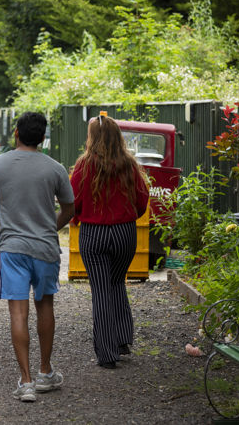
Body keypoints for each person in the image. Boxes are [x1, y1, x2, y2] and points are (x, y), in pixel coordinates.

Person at [0, 112, 75, 402]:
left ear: (16, 133)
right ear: (43, 138)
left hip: (12, 249)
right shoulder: (55, 169)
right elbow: (69, 209)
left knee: (18, 313)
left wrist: (6, 219)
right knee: (45, 307)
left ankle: (26, 381)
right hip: (45, 249)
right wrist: (47, 227)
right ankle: (46, 372)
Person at [70, 114, 149, 369]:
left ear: (92, 138)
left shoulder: (84, 165)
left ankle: (106, 354)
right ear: (118, 137)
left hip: (94, 233)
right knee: (117, 282)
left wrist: (77, 218)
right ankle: (123, 339)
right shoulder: (129, 165)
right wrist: (126, 219)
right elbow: (141, 201)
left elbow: (73, 201)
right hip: (125, 233)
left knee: (101, 290)